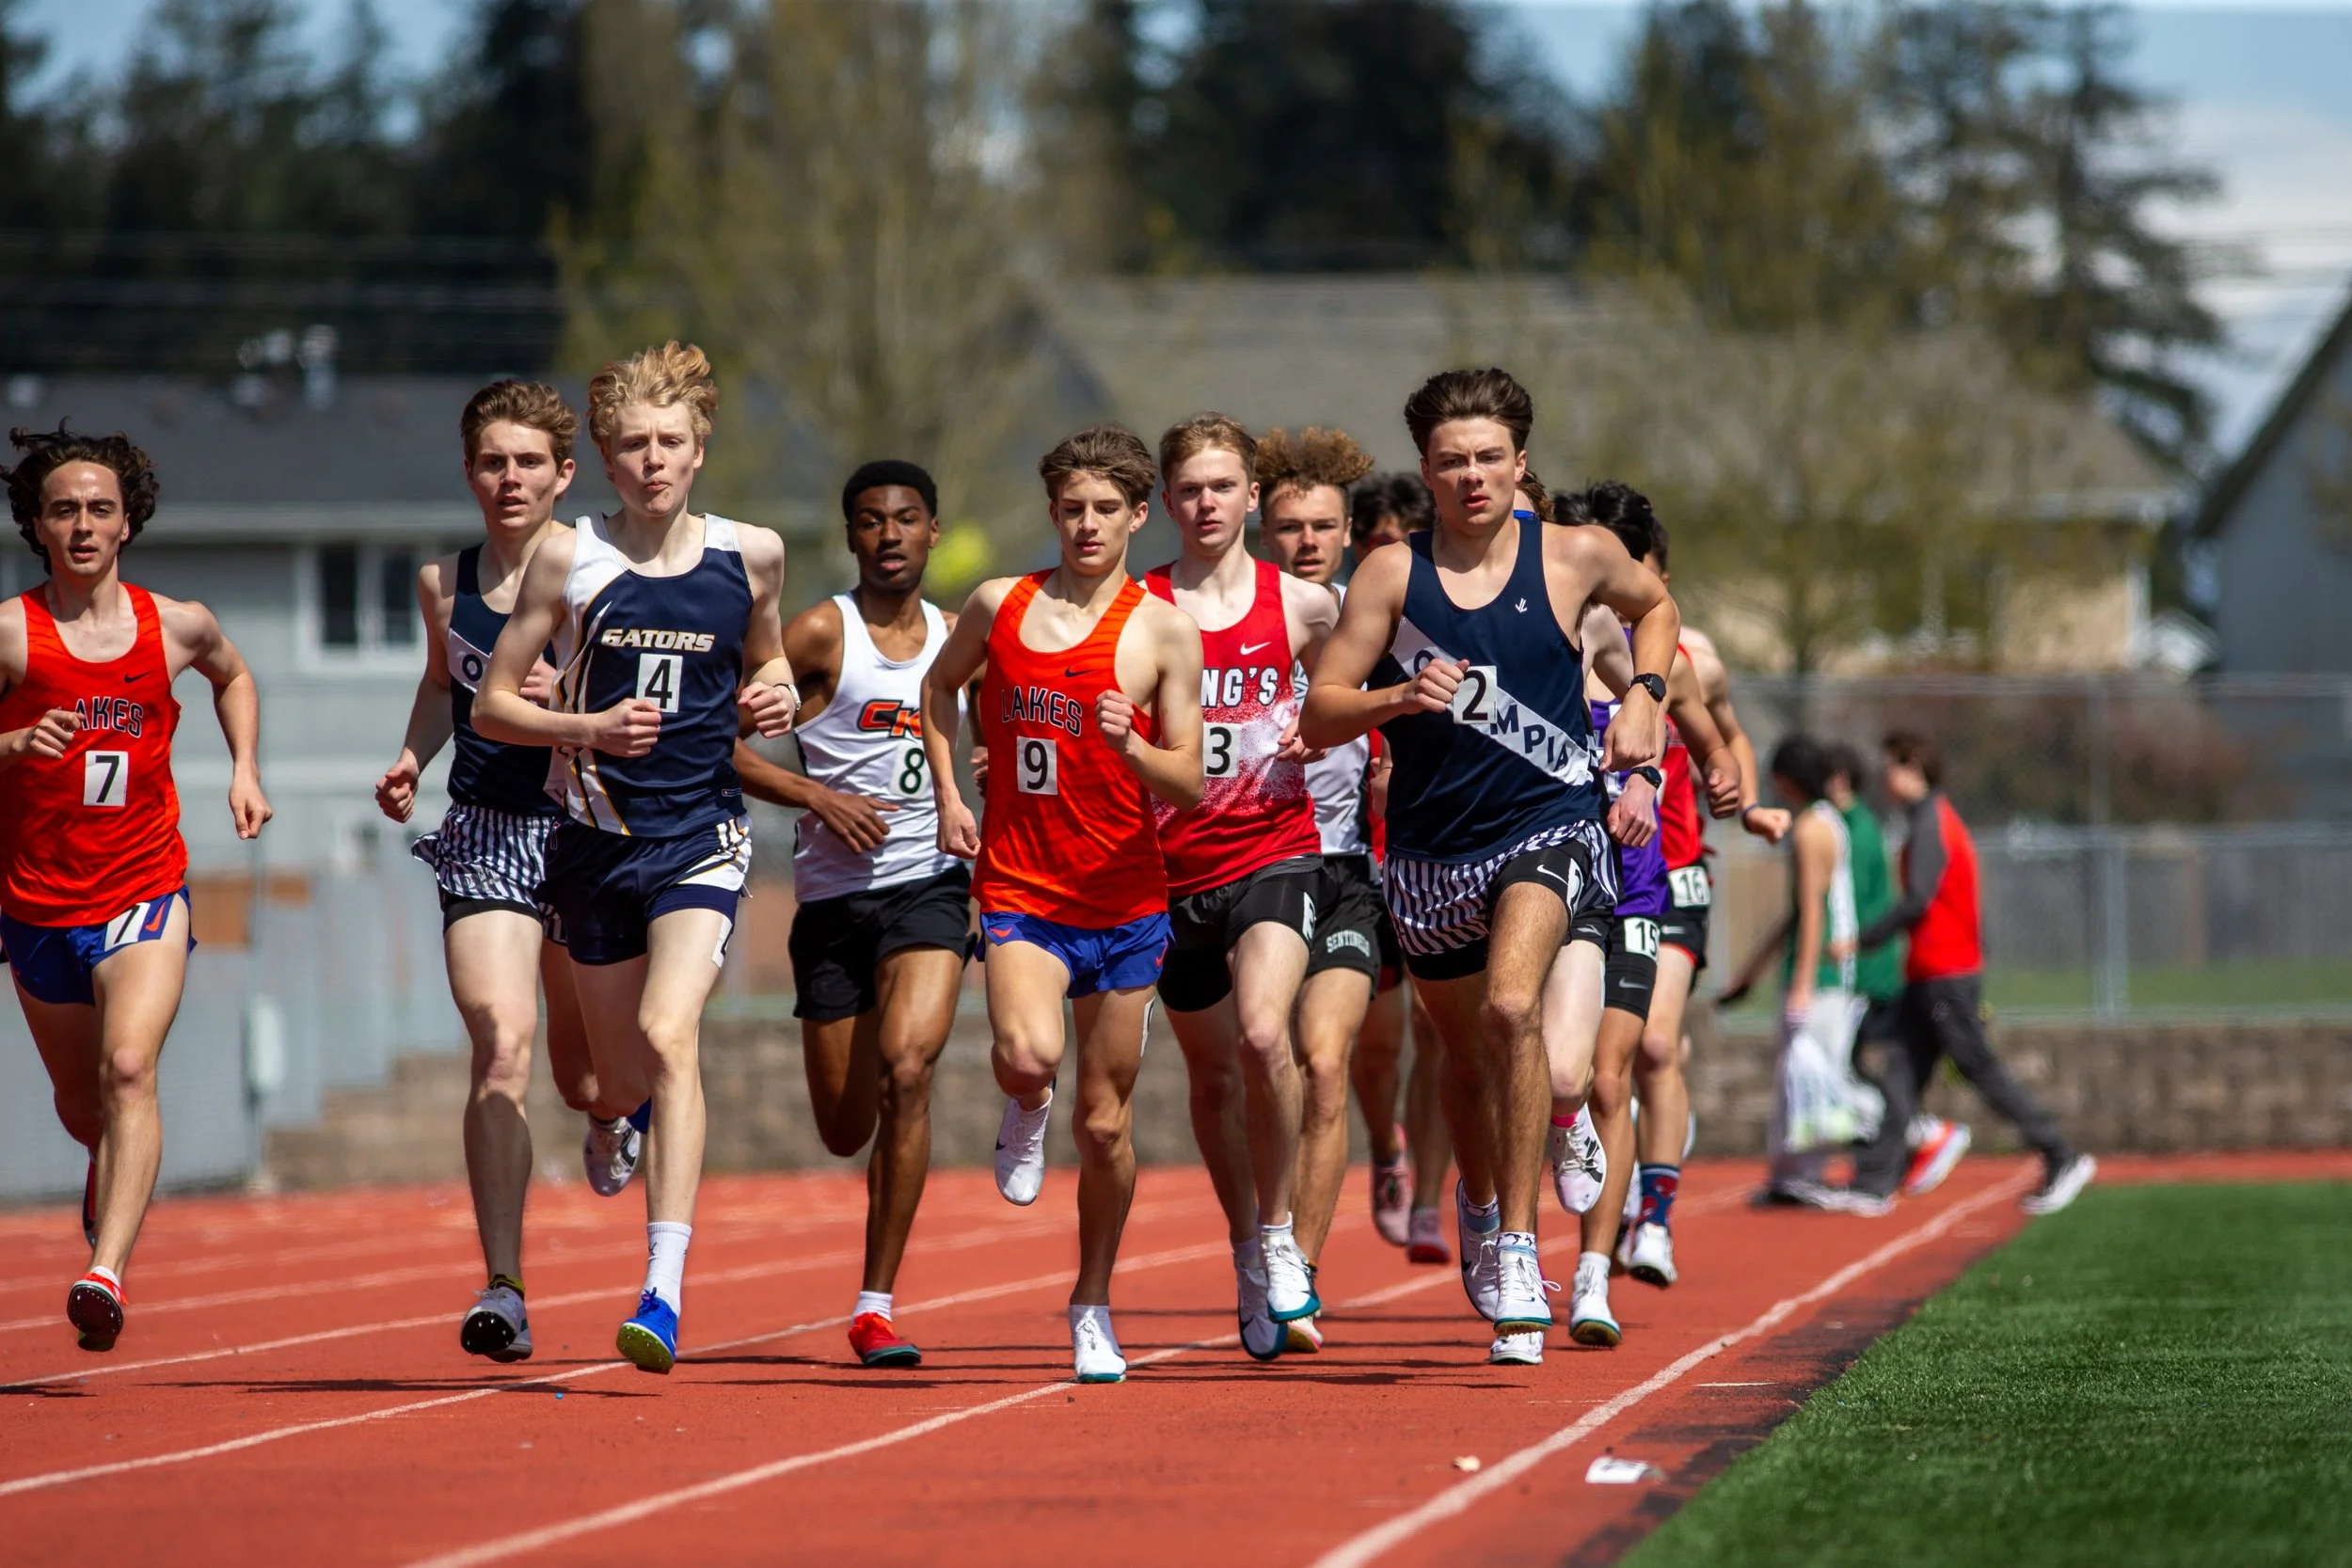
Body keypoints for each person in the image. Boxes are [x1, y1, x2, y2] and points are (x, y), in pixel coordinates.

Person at [1303, 368, 1680, 1367]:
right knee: (1468, 1064)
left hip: (1546, 822)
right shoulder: (1388, 575)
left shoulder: (1575, 554)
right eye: (1449, 460)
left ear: (1520, 463)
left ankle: (1520, 1246)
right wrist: (1396, 702)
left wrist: (1643, 694)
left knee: (1513, 1010)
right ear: (1425, 469)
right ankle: (1478, 1199)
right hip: (1429, 854)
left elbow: (1657, 608)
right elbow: (1319, 709)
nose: (1470, 476)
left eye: (1487, 458)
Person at [472, 342, 800, 1374]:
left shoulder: (751, 554)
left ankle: (660, 1289)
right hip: (591, 839)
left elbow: (773, 654)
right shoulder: (568, 560)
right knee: (604, 1078)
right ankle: (619, 1120)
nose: (653, 460)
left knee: (670, 1033)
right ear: (605, 461)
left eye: (670, 442)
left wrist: (779, 691)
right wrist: (587, 728)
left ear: (700, 449)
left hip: (701, 835)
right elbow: (494, 701)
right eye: (632, 445)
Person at [919, 423, 1204, 1385]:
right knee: (1028, 1053)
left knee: (1109, 1122)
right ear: (1053, 513)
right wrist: (954, 794)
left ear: (1137, 515)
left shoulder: (1162, 628)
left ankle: (1092, 1301)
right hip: (1021, 885)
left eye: (1105, 510)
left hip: (1125, 899)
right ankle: (1022, 1100)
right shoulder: (1000, 603)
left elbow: (1192, 783)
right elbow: (937, 687)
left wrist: (1133, 747)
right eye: (1070, 509)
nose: (1086, 525)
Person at [0, 423, 272, 1351]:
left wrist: (244, 769)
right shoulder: (11, 633)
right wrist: (9, 742)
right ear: (37, 525)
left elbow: (233, 674)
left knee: (129, 1068)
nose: (84, 524)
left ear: (128, 524)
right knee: (86, 1109)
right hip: (36, 905)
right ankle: (100, 1167)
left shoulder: (176, 625)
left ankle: (104, 1270)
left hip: (143, 888)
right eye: (65, 509)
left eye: (100, 510)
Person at [374, 380, 613, 1364]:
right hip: (487, 829)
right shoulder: (444, 581)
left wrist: (586, 692)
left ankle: (613, 1113)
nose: (508, 479)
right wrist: (409, 757)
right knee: (501, 1043)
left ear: (563, 473)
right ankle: (504, 1286)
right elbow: (444, 681)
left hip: (592, 828)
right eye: (491, 461)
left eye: (527, 462)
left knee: (586, 1071)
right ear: (470, 471)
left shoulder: (601, 571)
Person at [732, 460, 970, 1370]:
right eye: (871, 521)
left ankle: (876, 1305)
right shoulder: (822, 633)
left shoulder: (959, 640)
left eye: (907, 518)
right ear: (851, 536)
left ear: (933, 531)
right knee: (843, 1126)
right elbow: (723, 743)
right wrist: (816, 797)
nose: (890, 535)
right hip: (833, 900)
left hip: (930, 886)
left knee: (909, 1069)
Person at [1582, 486, 1788, 1279]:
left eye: (1645, 578)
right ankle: (1624, 1172)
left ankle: (1656, 1219)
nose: (1631, 597)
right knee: (1606, 1061)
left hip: (1674, 872)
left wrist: (1746, 797)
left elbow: (1724, 737)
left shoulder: (1692, 657)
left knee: (1658, 1042)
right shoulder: (1574, 645)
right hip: (1594, 874)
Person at [1848, 733, 2096, 1213]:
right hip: (1928, 974)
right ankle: (1875, 1182)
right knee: (1900, 1069)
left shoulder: (1931, 824)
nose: (1884, 779)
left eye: (1890, 769)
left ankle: (2060, 1155)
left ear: (1913, 768)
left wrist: (1864, 938)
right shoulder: (1925, 820)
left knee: (1978, 1068)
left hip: (1946, 974)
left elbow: (1919, 899)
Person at [1249, 424, 1376, 1354]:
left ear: (1347, 533)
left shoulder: (1372, 623)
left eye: (1322, 526)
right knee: (1251, 1062)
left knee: (1324, 1059)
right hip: (1249, 867)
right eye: (1289, 524)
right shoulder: (1237, 621)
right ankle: (1255, 1239)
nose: (1306, 541)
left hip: (1345, 874)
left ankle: (1299, 1269)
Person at [1331, 476, 1454, 1267]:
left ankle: (1432, 1203)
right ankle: (1385, 1145)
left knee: (1436, 1033)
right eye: (1375, 535)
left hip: (1439, 850)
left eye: (1404, 534)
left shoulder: (1451, 618)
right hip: (1364, 857)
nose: (1390, 547)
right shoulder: (1342, 619)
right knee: (1374, 1047)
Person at [1756, 735, 1883, 1206]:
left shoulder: (1813, 828)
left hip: (1823, 976)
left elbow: (1813, 910)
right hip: (1830, 973)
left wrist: (1802, 984)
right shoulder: (1828, 821)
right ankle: (1790, 1176)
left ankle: (1891, 1127)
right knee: (1803, 1075)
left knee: (1816, 1075)